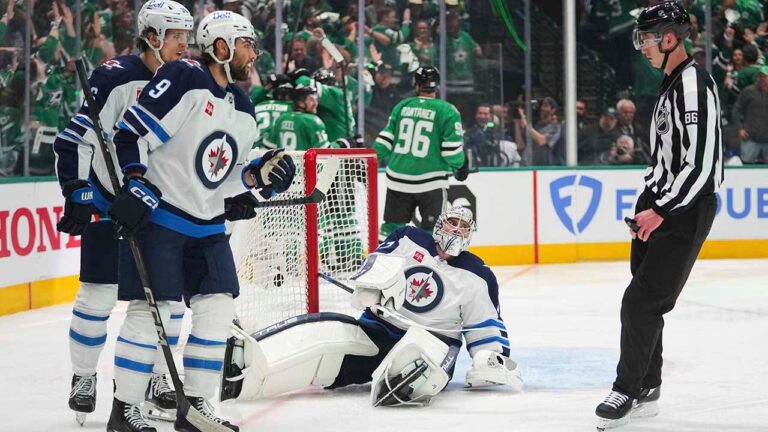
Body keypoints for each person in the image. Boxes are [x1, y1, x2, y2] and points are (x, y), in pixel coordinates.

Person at [105, 10, 296, 432]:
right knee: (153, 312)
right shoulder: (185, 76)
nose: (253, 54)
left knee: (218, 307)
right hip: (163, 216)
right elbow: (130, 133)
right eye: (246, 44)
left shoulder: (244, 107)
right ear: (222, 46)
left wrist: (256, 177)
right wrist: (134, 180)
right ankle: (124, 410)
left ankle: (193, 406)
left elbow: (224, 174)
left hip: (208, 225)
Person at [219, 206, 523, 405]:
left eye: (463, 227)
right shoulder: (408, 238)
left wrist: (488, 357)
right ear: (439, 224)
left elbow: (485, 326)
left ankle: (399, 386)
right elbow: (377, 265)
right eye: (451, 223)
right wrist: (371, 287)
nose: (455, 230)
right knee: (327, 333)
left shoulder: (478, 276)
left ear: (470, 235)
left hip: (433, 345)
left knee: (414, 368)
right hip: (381, 329)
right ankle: (244, 370)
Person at [51, 1, 194, 425]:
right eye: (176, 37)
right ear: (152, 37)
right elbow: (75, 139)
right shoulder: (116, 77)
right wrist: (77, 190)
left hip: (163, 209)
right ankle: (83, 376)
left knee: (167, 303)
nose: (184, 46)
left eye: (187, 37)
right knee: (96, 297)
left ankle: (154, 378)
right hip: (110, 202)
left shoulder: (190, 81)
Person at [595, 3, 723, 430]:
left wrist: (662, 209)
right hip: (659, 202)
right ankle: (648, 385)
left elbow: (701, 166)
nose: (642, 46)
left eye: (647, 38)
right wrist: (649, 201)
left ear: (670, 38)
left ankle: (627, 388)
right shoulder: (671, 84)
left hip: (682, 210)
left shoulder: (694, 85)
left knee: (640, 302)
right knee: (645, 301)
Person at [373, 66, 468, 240]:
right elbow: (450, 152)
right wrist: (462, 165)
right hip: (431, 183)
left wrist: (367, 160)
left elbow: (384, 142)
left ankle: (382, 257)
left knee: (390, 231)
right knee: (433, 234)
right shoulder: (447, 110)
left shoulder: (402, 106)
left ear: (416, 85)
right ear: (436, 86)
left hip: (398, 180)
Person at [731, 65, 768, 163]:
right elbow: (736, 110)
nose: (762, 79)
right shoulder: (749, 91)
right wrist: (740, 128)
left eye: (765, 76)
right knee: (746, 165)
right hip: (751, 137)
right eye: (760, 76)